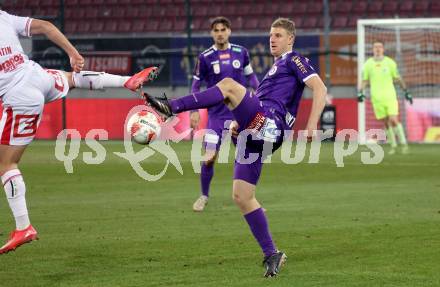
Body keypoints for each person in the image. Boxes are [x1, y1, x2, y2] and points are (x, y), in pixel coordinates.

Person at [144, 18, 327, 277]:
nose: (272, 39)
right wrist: (239, 126)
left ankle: (171, 107)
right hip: (256, 134)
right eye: (270, 35)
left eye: (277, 35)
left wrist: (311, 124)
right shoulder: (273, 71)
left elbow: (319, 88)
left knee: (229, 85)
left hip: (271, 124)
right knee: (242, 196)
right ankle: (272, 254)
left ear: (290, 39)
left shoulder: (294, 59)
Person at [0, 10, 158, 254]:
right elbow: (44, 26)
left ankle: (24, 227)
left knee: (6, 164)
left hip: (20, 95)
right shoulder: (3, 16)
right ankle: (127, 81)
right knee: (73, 78)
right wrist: (72, 52)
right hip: (36, 75)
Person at [191, 16, 259, 212]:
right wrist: (194, 109)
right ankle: (204, 195)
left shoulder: (241, 53)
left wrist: (260, 95)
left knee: (247, 157)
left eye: (223, 29)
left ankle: (250, 199)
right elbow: (196, 84)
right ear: (212, 33)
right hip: (216, 116)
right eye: (216, 30)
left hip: (240, 115)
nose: (220, 33)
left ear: (229, 31)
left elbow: (251, 77)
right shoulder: (205, 57)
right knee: (209, 157)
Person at [358, 40, 412, 154]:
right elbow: (364, 80)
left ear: (383, 49)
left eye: (380, 47)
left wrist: (406, 91)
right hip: (376, 98)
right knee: (386, 123)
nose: (377, 49)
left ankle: (403, 143)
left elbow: (397, 78)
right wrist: (360, 92)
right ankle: (393, 145)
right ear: (372, 49)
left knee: (393, 120)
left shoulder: (390, 63)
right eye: (375, 47)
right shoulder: (368, 64)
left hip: (390, 96)